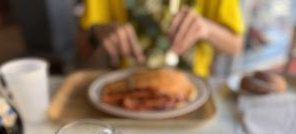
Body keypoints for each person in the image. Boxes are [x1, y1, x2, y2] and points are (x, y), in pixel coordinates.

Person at [79, 0, 244, 77]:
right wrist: (97, 35)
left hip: (194, 86)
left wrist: (207, 29)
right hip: (124, 83)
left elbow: (235, 44)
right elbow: (83, 47)